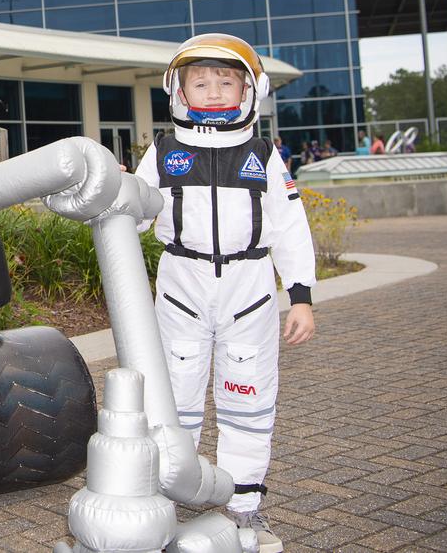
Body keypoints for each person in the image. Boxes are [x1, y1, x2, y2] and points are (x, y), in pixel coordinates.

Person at [135, 33, 316, 553]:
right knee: (174, 399)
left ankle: (244, 506)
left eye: (226, 80)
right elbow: (137, 214)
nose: (213, 90)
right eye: (201, 81)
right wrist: (117, 193)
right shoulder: (164, 153)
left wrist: (299, 295)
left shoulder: (263, 154)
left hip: (250, 290)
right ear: (180, 91)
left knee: (249, 401)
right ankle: (165, 498)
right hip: (180, 287)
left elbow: (289, 225)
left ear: (247, 90)